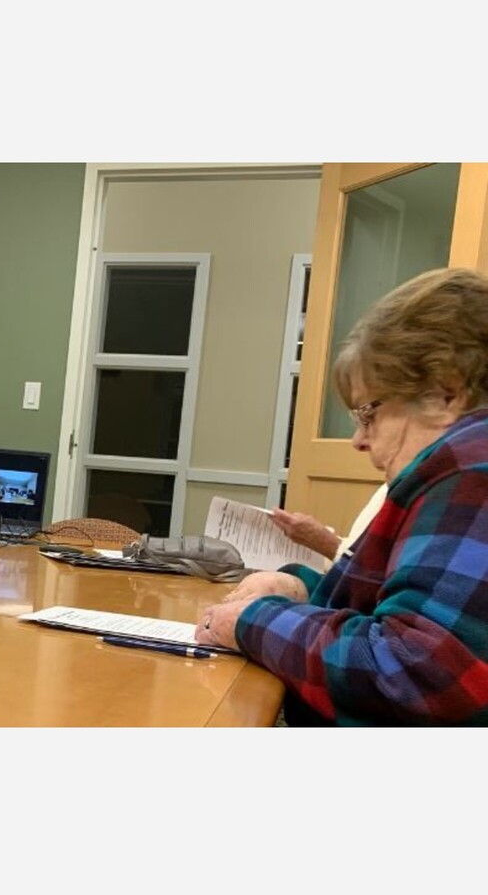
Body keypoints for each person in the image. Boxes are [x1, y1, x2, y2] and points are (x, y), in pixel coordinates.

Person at [196, 267, 488, 725]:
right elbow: (372, 607)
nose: (358, 440)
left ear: (444, 394)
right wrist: (295, 587)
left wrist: (253, 621)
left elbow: (412, 673)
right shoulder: (446, 473)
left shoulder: (471, 471)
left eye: (369, 413)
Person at [269, 482, 388, 564]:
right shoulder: (385, 488)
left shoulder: (394, 494)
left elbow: (371, 571)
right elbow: (356, 548)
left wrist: (328, 544)